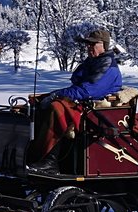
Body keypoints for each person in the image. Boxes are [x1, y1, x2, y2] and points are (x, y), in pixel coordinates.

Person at [26, 28, 122, 176]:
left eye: (92, 44)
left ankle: (50, 162)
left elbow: (88, 90)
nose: (88, 47)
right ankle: (33, 153)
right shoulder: (92, 62)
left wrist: (56, 95)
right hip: (85, 103)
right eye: (88, 44)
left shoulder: (108, 66)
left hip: (95, 108)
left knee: (56, 108)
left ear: (103, 45)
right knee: (36, 104)